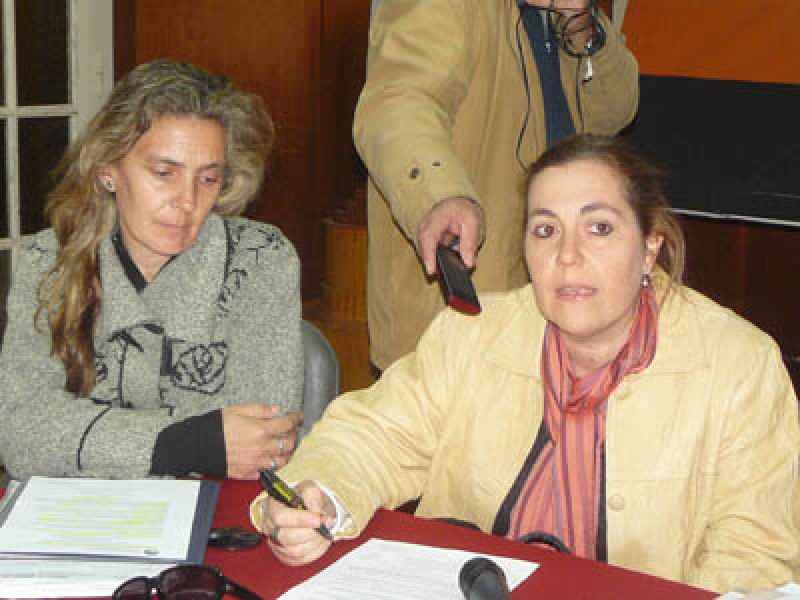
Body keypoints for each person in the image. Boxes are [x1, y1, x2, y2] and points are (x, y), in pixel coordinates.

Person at [252, 134, 800, 593]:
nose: (568, 255)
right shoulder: (473, 333)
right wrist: (321, 495)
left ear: (650, 247)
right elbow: (372, 437)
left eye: (599, 228)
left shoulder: (739, 365)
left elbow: (754, 557)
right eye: (546, 230)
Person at [0, 60, 304, 480]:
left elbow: (264, 440)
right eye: (164, 173)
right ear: (108, 169)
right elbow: (19, 432)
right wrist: (191, 444)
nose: (187, 201)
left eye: (208, 179)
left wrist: (83, 438)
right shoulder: (48, 260)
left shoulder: (260, 259)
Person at [354, 0, 640, 370]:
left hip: (552, 287)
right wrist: (440, 194)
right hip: (466, 302)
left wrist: (579, 22)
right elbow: (397, 103)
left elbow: (616, 113)